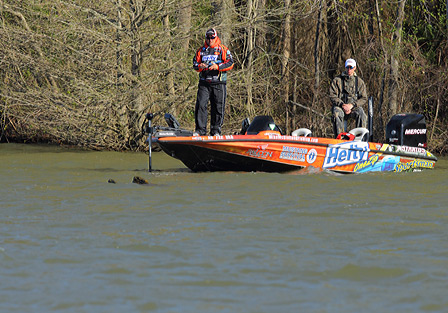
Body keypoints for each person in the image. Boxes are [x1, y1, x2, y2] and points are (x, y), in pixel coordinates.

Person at [193, 28, 234, 136]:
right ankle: (200, 130)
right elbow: (195, 64)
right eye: (208, 37)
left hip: (219, 82)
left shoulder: (222, 49)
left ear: (216, 37)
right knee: (201, 105)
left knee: (218, 107)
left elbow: (230, 63)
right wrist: (200, 66)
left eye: (212, 37)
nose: (210, 39)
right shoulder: (201, 50)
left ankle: (216, 131)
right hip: (204, 82)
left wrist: (218, 66)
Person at [329, 58, 368, 137]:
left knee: (362, 115)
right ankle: (340, 138)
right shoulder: (337, 80)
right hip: (340, 106)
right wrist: (342, 105)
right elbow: (332, 95)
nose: (349, 70)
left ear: (355, 68)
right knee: (337, 114)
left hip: (353, 106)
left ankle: (360, 138)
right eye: (347, 67)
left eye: (351, 67)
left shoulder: (359, 82)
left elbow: (364, 98)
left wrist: (352, 105)